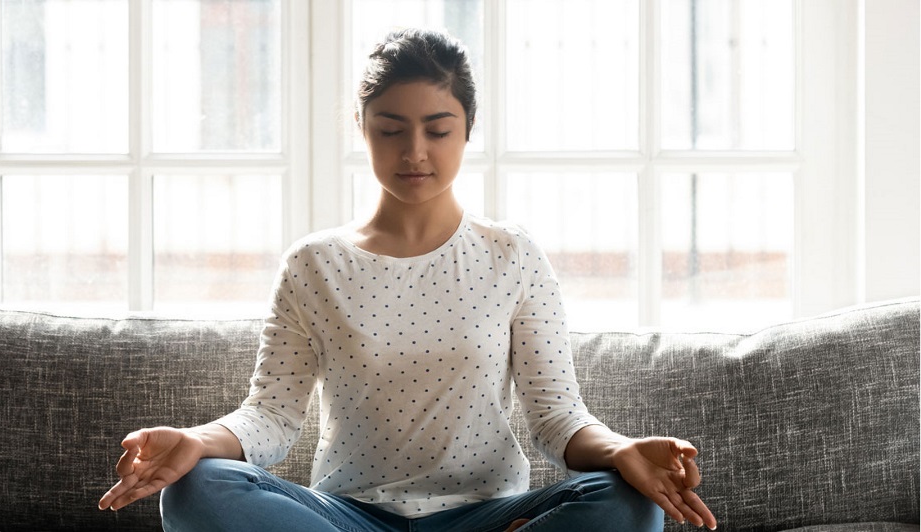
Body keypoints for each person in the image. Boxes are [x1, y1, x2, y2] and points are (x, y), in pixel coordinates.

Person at [99, 28, 717, 532]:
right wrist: (196, 440)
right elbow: (271, 418)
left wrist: (621, 451)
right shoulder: (314, 264)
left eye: (438, 130)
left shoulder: (513, 255)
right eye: (391, 129)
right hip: (348, 516)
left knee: (627, 502)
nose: (414, 151)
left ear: (467, 130)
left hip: (490, 515)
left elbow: (556, 416)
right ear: (363, 129)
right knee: (198, 490)